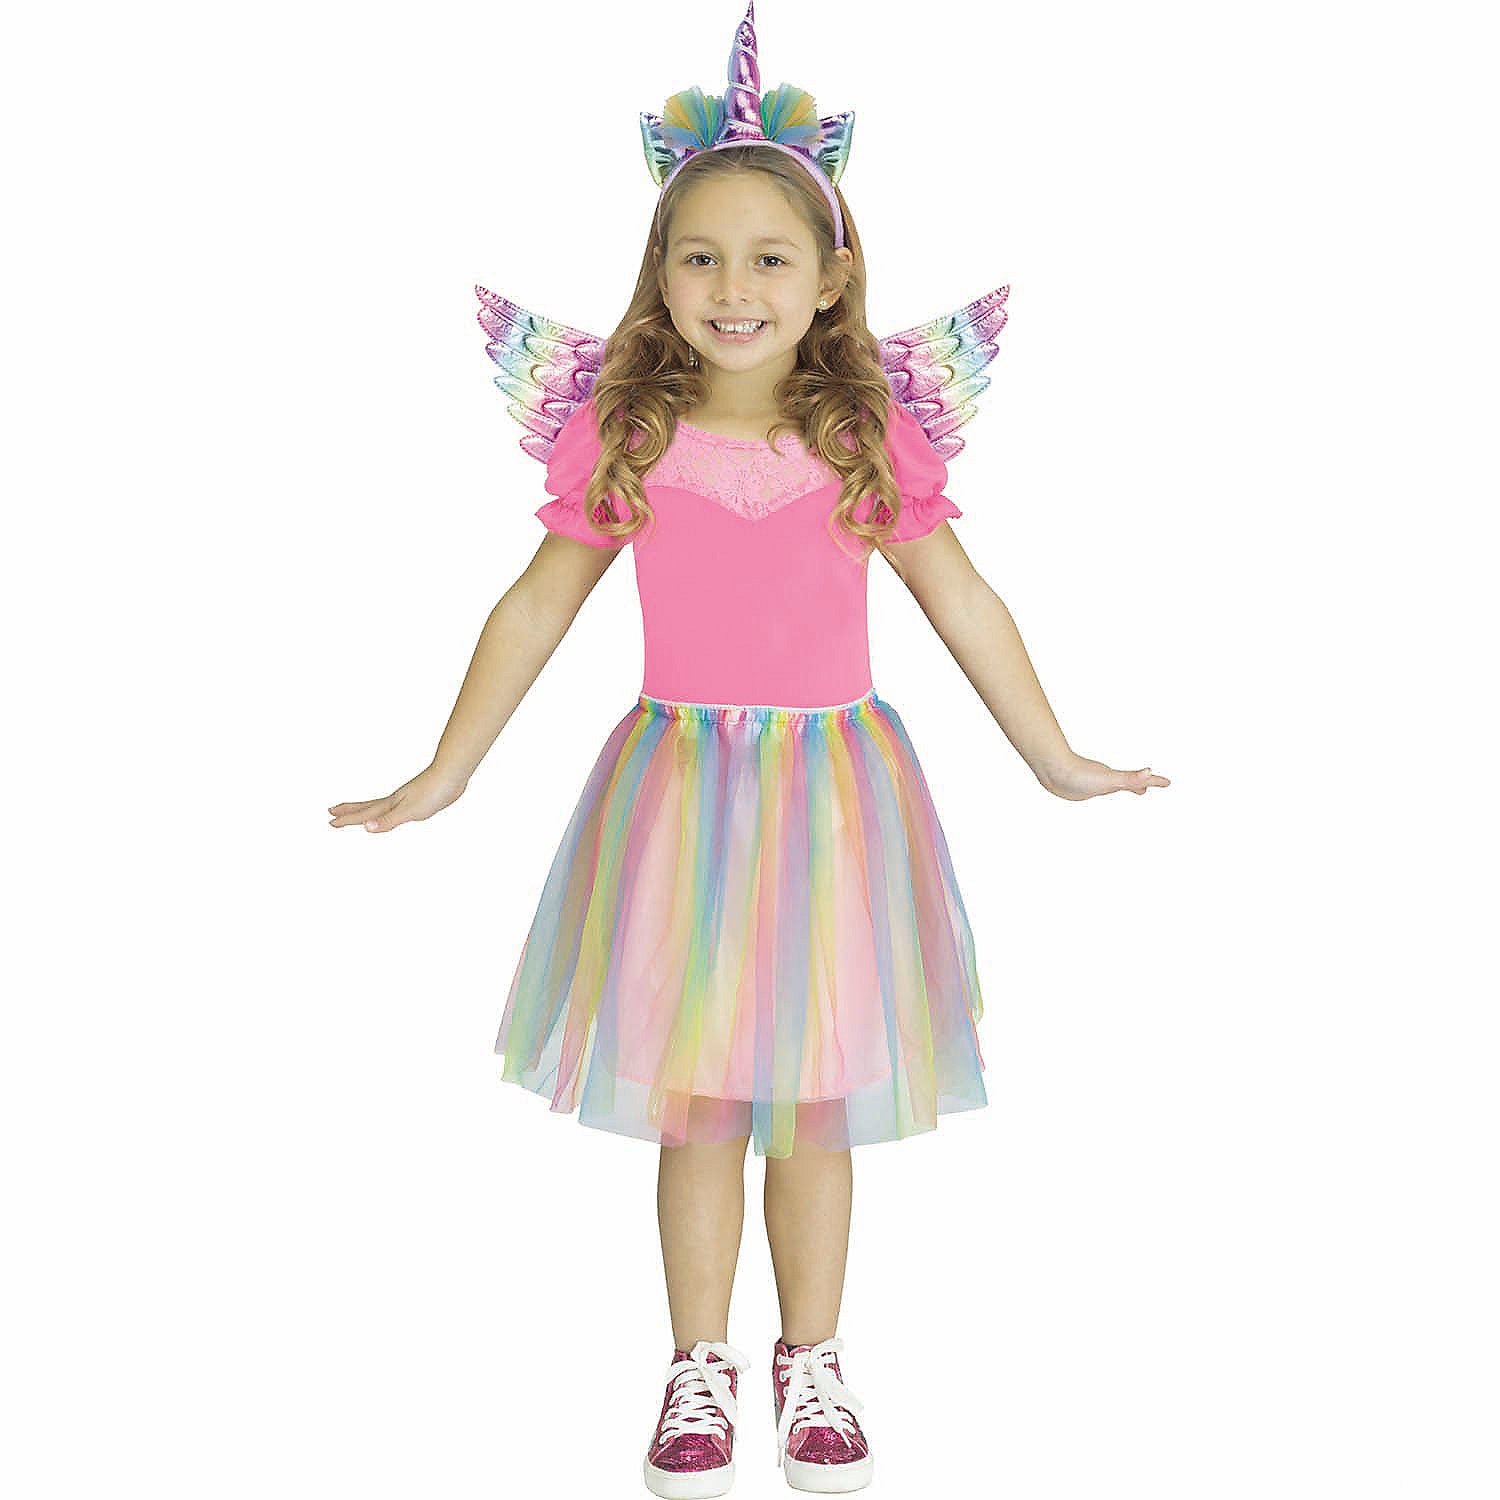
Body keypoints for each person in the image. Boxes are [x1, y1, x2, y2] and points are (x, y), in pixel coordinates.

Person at [329, 5, 1169, 1495]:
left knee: (820, 1106)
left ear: (832, 276)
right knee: (701, 1104)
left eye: (771, 259)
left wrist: (1055, 756)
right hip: (677, 801)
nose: (734, 288)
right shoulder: (627, 436)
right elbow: (535, 608)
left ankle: (816, 1358)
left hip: (835, 801)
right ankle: (698, 1362)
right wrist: (445, 771)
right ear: (658, 272)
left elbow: (965, 602)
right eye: (701, 257)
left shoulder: (865, 436)